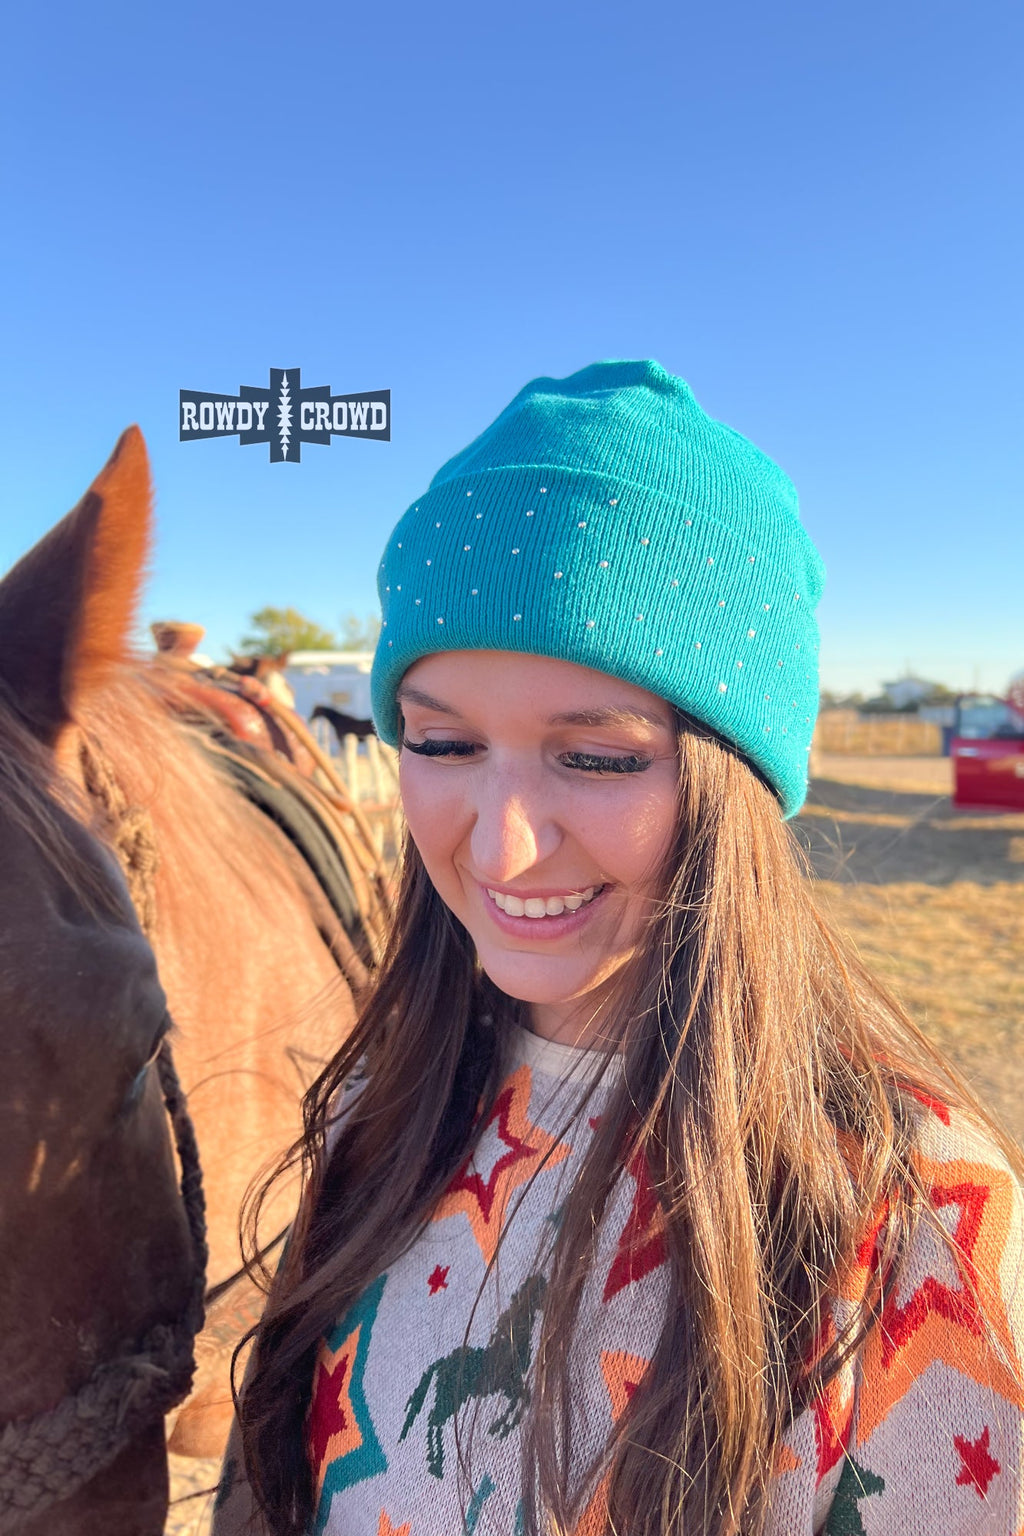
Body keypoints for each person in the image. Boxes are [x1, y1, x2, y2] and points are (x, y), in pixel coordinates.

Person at [214, 361, 1024, 1536]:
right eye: (443, 746)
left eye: (594, 757)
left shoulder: (912, 1219)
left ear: (730, 782)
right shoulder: (378, 1115)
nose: (500, 845)